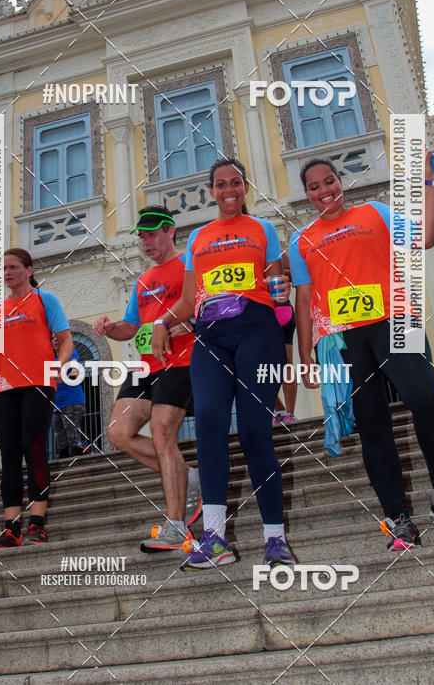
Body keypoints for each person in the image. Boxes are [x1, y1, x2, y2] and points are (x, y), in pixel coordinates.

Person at [290, 153, 434, 551]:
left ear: (339, 182)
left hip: (397, 320)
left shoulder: (375, 213)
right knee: (373, 425)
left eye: (330, 181)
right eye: (314, 186)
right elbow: (304, 297)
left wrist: (427, 181)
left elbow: (425, 238)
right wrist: (305, 356)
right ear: (307, 194)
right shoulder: (301, 240)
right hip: (343, 339)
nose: (325, 190)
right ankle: (397, 517)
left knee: (428, 400)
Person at [152, 159, 294, 570]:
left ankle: (275, 540)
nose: (228, 189)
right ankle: (214, 538)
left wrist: (282, 297)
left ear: (245, 187)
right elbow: (189, 299)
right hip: (211, 336)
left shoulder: (263, 229)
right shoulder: (198, 237)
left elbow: (277, 285)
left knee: (254, 432)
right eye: (220, 184)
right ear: (210, 191)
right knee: (210, 423)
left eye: (235, 183)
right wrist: (163, 322)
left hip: (256, 330)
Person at [93, 206, 201, 552]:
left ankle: (176, 526)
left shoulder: (188, 265)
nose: (145, 241)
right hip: (146, 368)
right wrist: (111, 329)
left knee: (161, 432)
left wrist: (177, 325)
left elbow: (200, 308)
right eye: (141, 235)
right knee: (117, 433)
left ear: (170, 230)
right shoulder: (143, 280)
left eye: (151, 233)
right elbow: (132, 326)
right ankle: (187, 476)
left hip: (181, 361)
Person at [0, 249, 73, 548]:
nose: (8, 272)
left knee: (33, 448)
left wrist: (59, 365)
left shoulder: (44, 300)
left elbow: (65, 340)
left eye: (13, 267)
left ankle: (36, 523)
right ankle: (11, 528)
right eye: (3, 269)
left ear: (28, 269)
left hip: (38, 383)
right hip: (4, 389)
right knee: (9, 455)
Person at [273, 254, 298, 425]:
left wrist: (276, 273)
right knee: (257, 366)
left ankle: (289, 412)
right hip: (259, 313)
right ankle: (279, 410)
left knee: (286, 362)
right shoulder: (247, 251)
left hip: (281, 310)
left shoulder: (279, 253)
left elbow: (295, 274)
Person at [52, 334, 86, 458]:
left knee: (72, 434)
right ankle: (64, 467)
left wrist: (74, 370)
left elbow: (74, 364)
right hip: (56, 404)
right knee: (59, 437)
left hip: (72, 401)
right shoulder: (52, 358)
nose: (55, 339)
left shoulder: (70, 353)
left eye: (58, 337)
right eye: (53, 338)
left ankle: (77, 466)